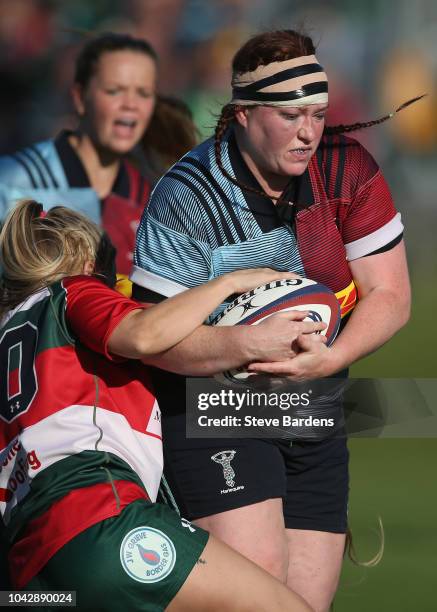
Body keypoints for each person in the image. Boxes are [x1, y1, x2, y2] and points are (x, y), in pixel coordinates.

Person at [131, 29, 412, 612]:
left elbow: (391, 293)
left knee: (305, 604)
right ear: (243, 114)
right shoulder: (187, 194)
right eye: (291, 115)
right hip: (215, 409)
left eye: (318, 114)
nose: (310, 132)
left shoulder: (345, 169)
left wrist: (331, 358)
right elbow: (156, 340)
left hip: (315, 403)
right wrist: (246, 344)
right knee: (254, 594)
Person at [0, 199, 321, 611]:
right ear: (82, 262)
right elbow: (143, 336)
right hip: (98, 518)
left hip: (31, 570)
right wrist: (227, 283)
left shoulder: (12, 337)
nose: (115, 286)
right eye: (106, 272)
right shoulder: (72, 291)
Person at [0, 32, 196, 277]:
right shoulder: (13, 183)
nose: (130, 104)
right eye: (115, 91)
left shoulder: (152, 198)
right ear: (80, 97)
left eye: (144, 93)